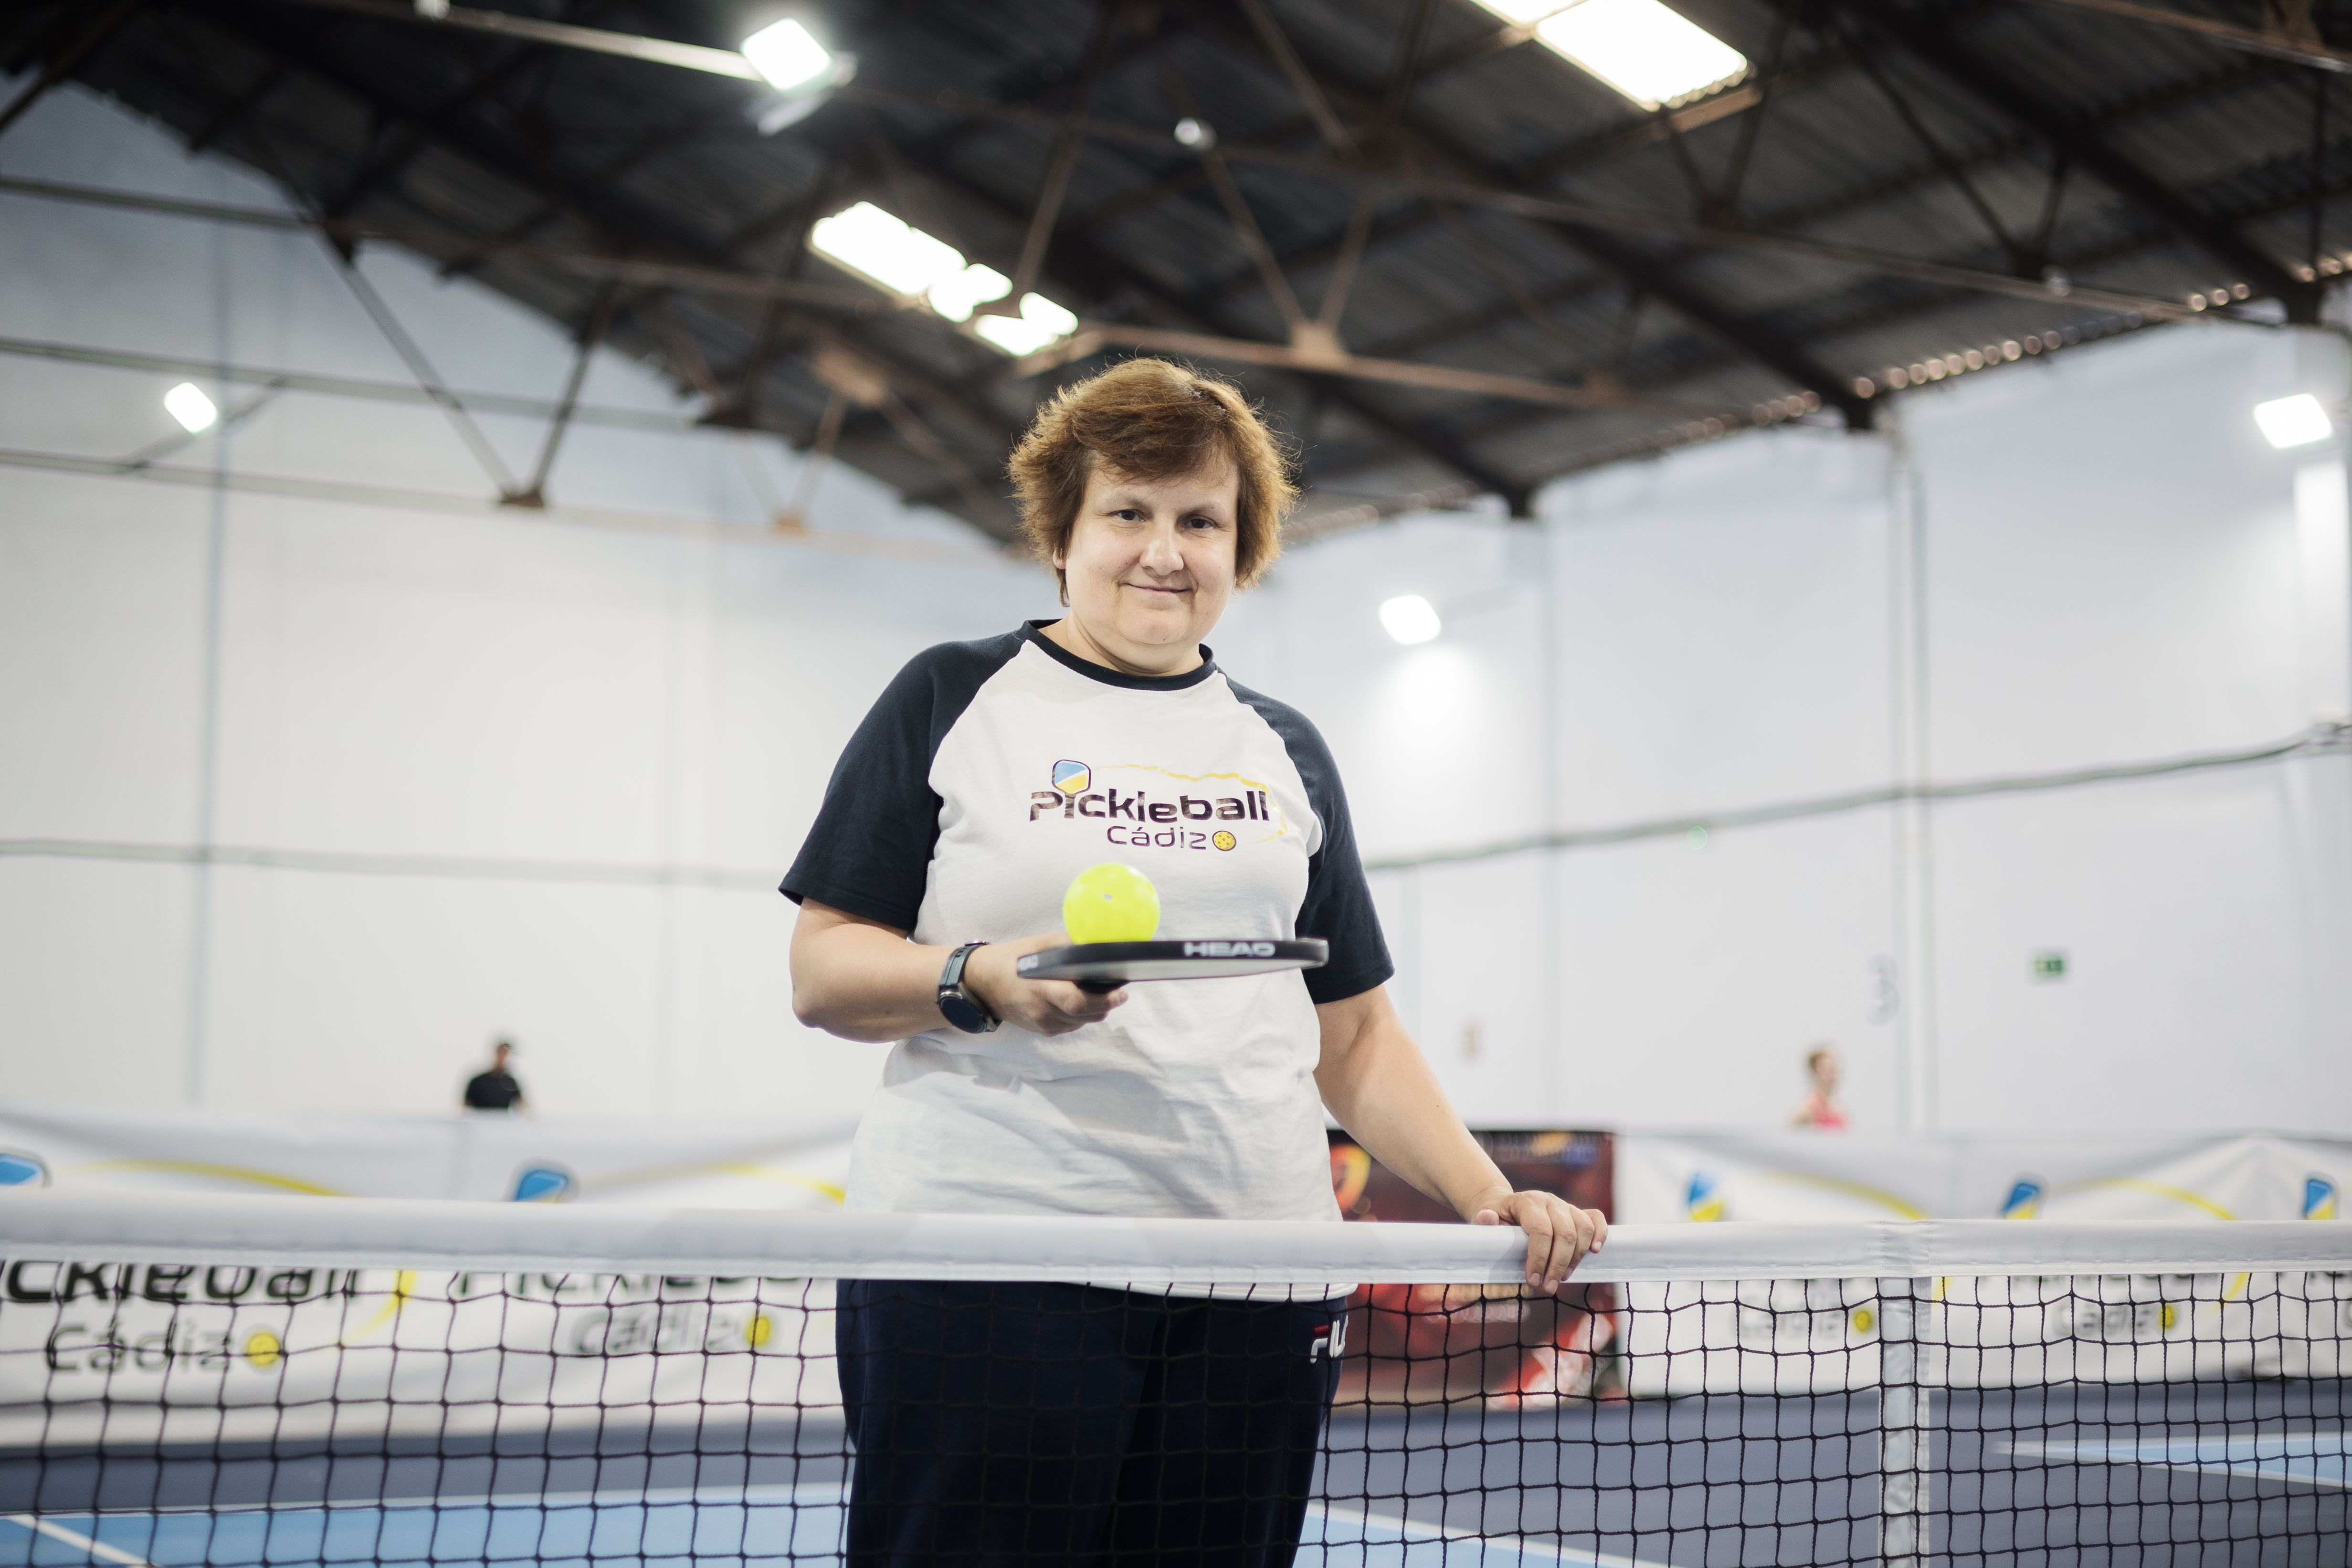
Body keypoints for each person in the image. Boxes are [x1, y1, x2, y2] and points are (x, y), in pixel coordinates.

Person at [782, 358, 1608, 1565]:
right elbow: (822, 971)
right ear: (1060, 535)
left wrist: (1489, 1193)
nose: (1163, 552)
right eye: (1128, 512)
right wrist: (979, 977)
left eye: (1200, 521)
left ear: (1240, 547)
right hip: (987, 1262)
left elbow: (1355, 1035)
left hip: (1256, 1274)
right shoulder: (952, 695)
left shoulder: (1284, 747)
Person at [461, 1039, 527, 1113]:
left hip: (502, 1120)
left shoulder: (511, 1083)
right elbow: (466, 1106)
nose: (503, 1058)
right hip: (481, 1119)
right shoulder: (477, 1082)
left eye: (506, 1055)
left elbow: (522, 1105)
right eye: (501, 1053)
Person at [1792, 1044, 1846, 1130]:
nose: (1832, 1076)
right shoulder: (1808, 1110)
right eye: (1826, 1071)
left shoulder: (1838, 1109)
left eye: (1834, 1070)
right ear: (1815, 1073)